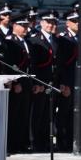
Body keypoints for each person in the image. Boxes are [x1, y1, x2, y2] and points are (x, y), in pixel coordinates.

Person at [29, 10, 59, 152]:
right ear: (41, 23)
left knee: (49, 114)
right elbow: (34, 65)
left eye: (53, 22)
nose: (51, 25)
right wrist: (37, 83)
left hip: (52, 83)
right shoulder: (35, 40)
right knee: (38, 115)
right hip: (41, 83)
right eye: (48, 22)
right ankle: (36, 142)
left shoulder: (56, 40)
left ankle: (46, 142)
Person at [4, 13, 32, 153]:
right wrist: (15, 82)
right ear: (15, 26)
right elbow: (10, 63)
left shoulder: (26, 41)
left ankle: (21, 144)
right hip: (16, 84)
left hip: (26, 83)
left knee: (23, 116)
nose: (26, 28)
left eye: (27, 25)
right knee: (13, 116)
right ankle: (11, 145)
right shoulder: (11, 40)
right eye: (23, 25)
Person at [55, 9, 81, 152]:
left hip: (78, 81)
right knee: (63, 114)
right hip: (67, 83)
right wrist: (64, 84)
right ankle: (61, 142)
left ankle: (72, 141)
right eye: (74, 21)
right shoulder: (63, 39)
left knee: (74, 115)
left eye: (78, 21)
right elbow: (61, 64)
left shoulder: (80, 39)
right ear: (67, 23)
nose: (77, 23)